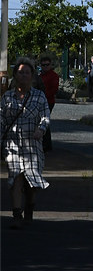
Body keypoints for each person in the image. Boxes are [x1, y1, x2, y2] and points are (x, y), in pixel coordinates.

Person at [1, 58, 51, 229]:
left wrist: (41, 129)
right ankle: (16, 215)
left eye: (27, 72)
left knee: (31, 183)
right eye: (20, 72)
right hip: (12, 145)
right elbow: (1, 119)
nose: (23, 75)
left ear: (32, 76)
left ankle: (29, 207)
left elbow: (45, 117)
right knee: (16, 179)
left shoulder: (39, 96)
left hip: (32, 145)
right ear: (15, 75)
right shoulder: (7, 96)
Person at [37, 55, 59, 152]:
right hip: (41, 101)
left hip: (48, 101)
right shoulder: (40, 76)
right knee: (41, 121)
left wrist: (43, 96)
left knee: (45, 120)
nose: (45, 66)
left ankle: (46, 144)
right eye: (43, 65)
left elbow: (54, 90)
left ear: (50, 65)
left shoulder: (53, 76)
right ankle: (45, 143)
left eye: (47, 64)